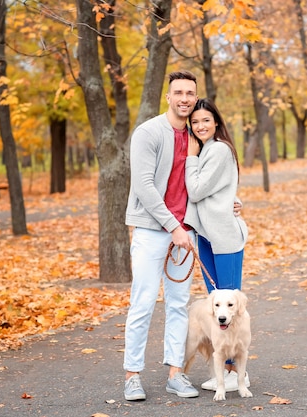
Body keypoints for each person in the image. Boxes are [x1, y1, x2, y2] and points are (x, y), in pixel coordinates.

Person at [122, 70, 201, 401]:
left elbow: (204, 179)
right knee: (142, 302)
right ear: (168, 96)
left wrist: (231, 202)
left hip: (184, 232)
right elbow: (144, 185)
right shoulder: (148, 132)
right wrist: (173, 227)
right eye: (179, 92)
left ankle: (175, 373)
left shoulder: (197, 136)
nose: (184, 98)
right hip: (153, 231)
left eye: (190, 93)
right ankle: (132, 375)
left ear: (196, 98)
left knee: (179, 304)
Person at [184, 97, 250, 392]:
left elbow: (196, 190)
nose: (200, 126)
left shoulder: (218, 149)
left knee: (232, 305)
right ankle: (224, 369)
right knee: (217, 307)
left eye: (205, 120)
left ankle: (237, 372)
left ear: (217, 122)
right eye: (195, 121)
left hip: (224, 239)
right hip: (208, 236)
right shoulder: (209, 149)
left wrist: (190, 157)